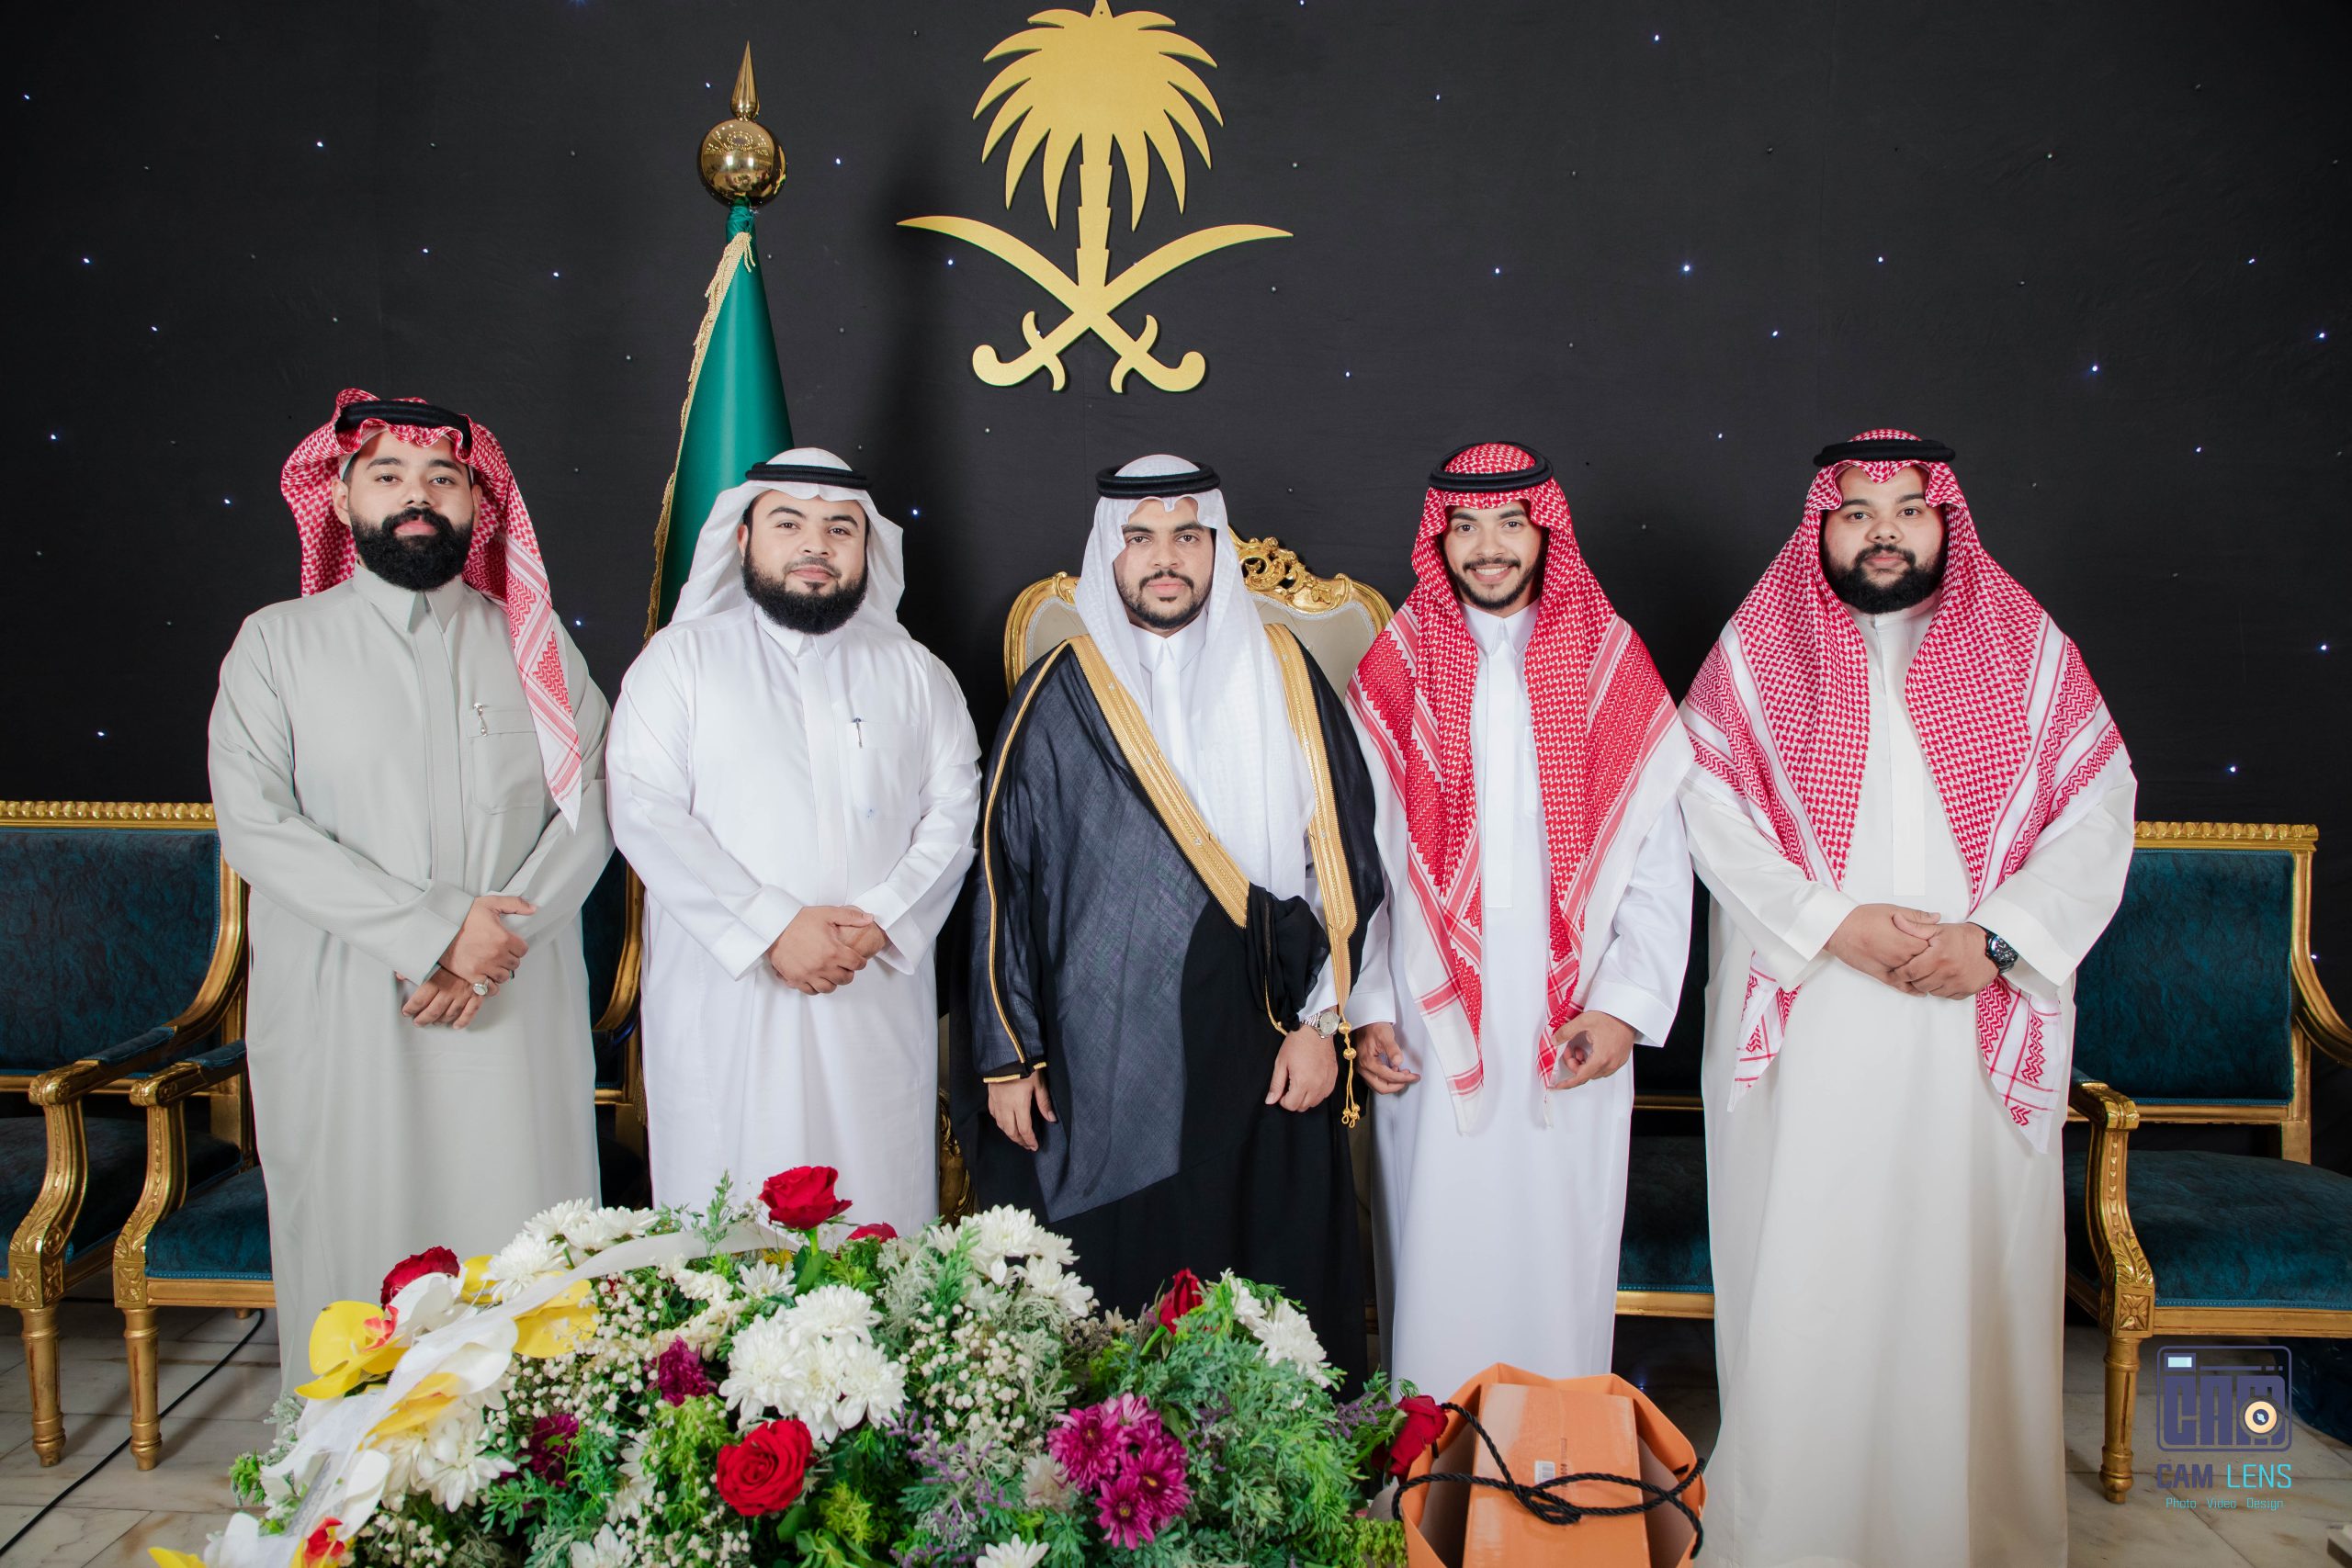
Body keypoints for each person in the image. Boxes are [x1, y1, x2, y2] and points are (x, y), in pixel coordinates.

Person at [1679, 430, 2134, 1567]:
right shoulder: (1760, 649)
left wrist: (1998, 941)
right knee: (1810, 1274)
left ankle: (1970, 1537)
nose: (1881, 532)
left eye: (1906, 509)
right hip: (1813, 1017)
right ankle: (1794, 1537)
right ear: (1822, 527)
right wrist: (1830, 923)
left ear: (1944, 523)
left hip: (1972, 1021)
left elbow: (2098, 808)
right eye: (1856, 511)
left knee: (1961, 1278)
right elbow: (1701, 803)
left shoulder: (2023, 649)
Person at [209, 389, 610, 1384]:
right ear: (342, 500)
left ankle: (532, 1454)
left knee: (518, 1256)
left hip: (509, 1005)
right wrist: (435, 933)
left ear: (479, 504)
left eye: (443, 478)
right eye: (388, 475)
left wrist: (490, 950)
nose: (416, 496)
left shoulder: (535, 644)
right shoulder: (276, 643)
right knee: (357, 1250)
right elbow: (257, 824)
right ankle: (349, 1459)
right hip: (348, 1005)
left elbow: (598, 800)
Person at [956, 454, 1384, 1381]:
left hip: (1266, 1038)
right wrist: (1008, 1055)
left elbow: (1346, 859)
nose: (1165, 558)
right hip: (1099, 1052)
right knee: (1115, 1309)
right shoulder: (1061, 688)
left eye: (1188, 536)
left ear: (1215, 548)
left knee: (1265, 1302)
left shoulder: (1284, 671)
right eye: (1140, 538)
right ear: (1108, 556)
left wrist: (1324, 1027)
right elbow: (1002, 877)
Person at [1347, 441, 1692, 1400]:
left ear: (1545, 531)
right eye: (1464, 526)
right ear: (1439, 539)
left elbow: (1659, 861)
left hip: (1570, 1018)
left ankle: (1556, 1466)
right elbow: (1355, 864)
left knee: (1558, 1255)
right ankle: (1432, 1470)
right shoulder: (1397, 666)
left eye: (1509, 523)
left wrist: (1623, 1009)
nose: (1487, 546)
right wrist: (1369, 1009)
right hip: (1425, 1013)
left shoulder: (1608, 661)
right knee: (1434, 1254)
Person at [607, 449, 979, 1224]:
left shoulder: (917, 673)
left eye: (840, 528)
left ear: (867, 548)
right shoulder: (678, 662)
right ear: (743, 539)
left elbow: (954, 812)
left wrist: (880, 918)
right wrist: (774, 926)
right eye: (789, 524)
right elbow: (646, 809)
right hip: (729, 995)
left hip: (869, 988)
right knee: (728, 1219)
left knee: (876, 1218)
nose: (816, 545)